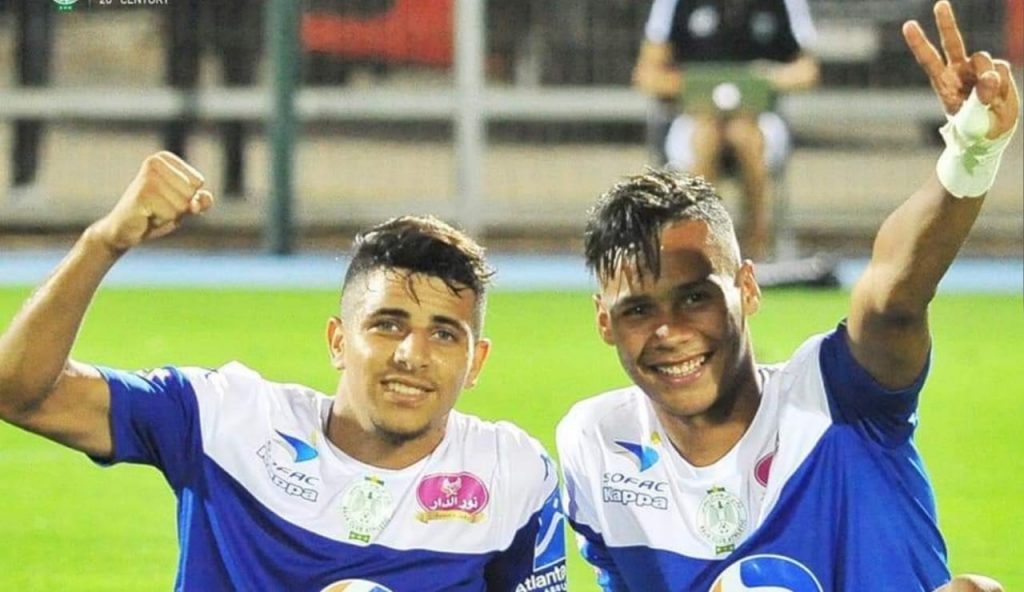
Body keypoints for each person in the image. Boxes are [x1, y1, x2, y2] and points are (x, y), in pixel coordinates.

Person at [558, 1, 1017, 590]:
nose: (670, 331)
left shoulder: (838, 398)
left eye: (696, 298)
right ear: (604, 321)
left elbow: (893, 297)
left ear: (748, 288)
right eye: (639, 309)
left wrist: (969, 157)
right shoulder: (597, 443)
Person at [0, 152, 567, 591]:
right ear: (338, 342)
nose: (412, 355)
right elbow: (19, 393)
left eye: (444, 334)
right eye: (388, 324)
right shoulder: (226, 421)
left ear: (476, 362)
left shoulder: (511, 474)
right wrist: (103, 242)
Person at [633, 0, 820, 261]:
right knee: (705, 137)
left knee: (746, 136)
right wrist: (697, 86)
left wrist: (766, 78)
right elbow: (647, 73)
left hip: (761, 119)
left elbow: (808, 71)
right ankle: (698, 251)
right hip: (691, 119)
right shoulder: (674, 4)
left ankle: (756, 252)